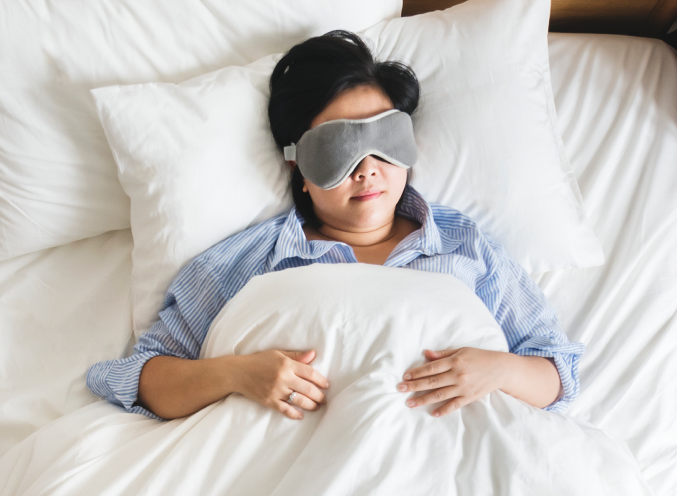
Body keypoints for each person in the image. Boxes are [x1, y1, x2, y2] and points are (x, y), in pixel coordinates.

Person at [87, 30, 583, 421]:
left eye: (384, 138)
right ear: (296, 167)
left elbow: (558, 374)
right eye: (337, 149)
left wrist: (501, 370)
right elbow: (140, 378)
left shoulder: (465, 244)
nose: (367, 168)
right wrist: (236, 375)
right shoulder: (243, 262)